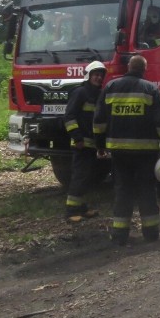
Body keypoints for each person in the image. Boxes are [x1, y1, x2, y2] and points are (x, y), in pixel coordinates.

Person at [93, 54, 160, 245]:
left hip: (119, 152)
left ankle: (120, 236)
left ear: (129, 66)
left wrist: (100, 145)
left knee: (122, 191)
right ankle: (151, 233)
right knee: (147, 191)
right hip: (146, 152)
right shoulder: (151, 89)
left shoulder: (111, 87)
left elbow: (99, 121)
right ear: (144, 69)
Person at [63, 60, 106, 222]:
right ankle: (70, 212)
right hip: (81, 143)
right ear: (88, 76)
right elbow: (69, 116)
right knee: (79, 176)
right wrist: (77, 137)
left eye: (100, 75)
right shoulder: (80, 93)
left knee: (87, 177)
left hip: (93, 144)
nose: (98, 78)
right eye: (95, 75)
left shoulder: (99, 94)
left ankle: (81, 208)